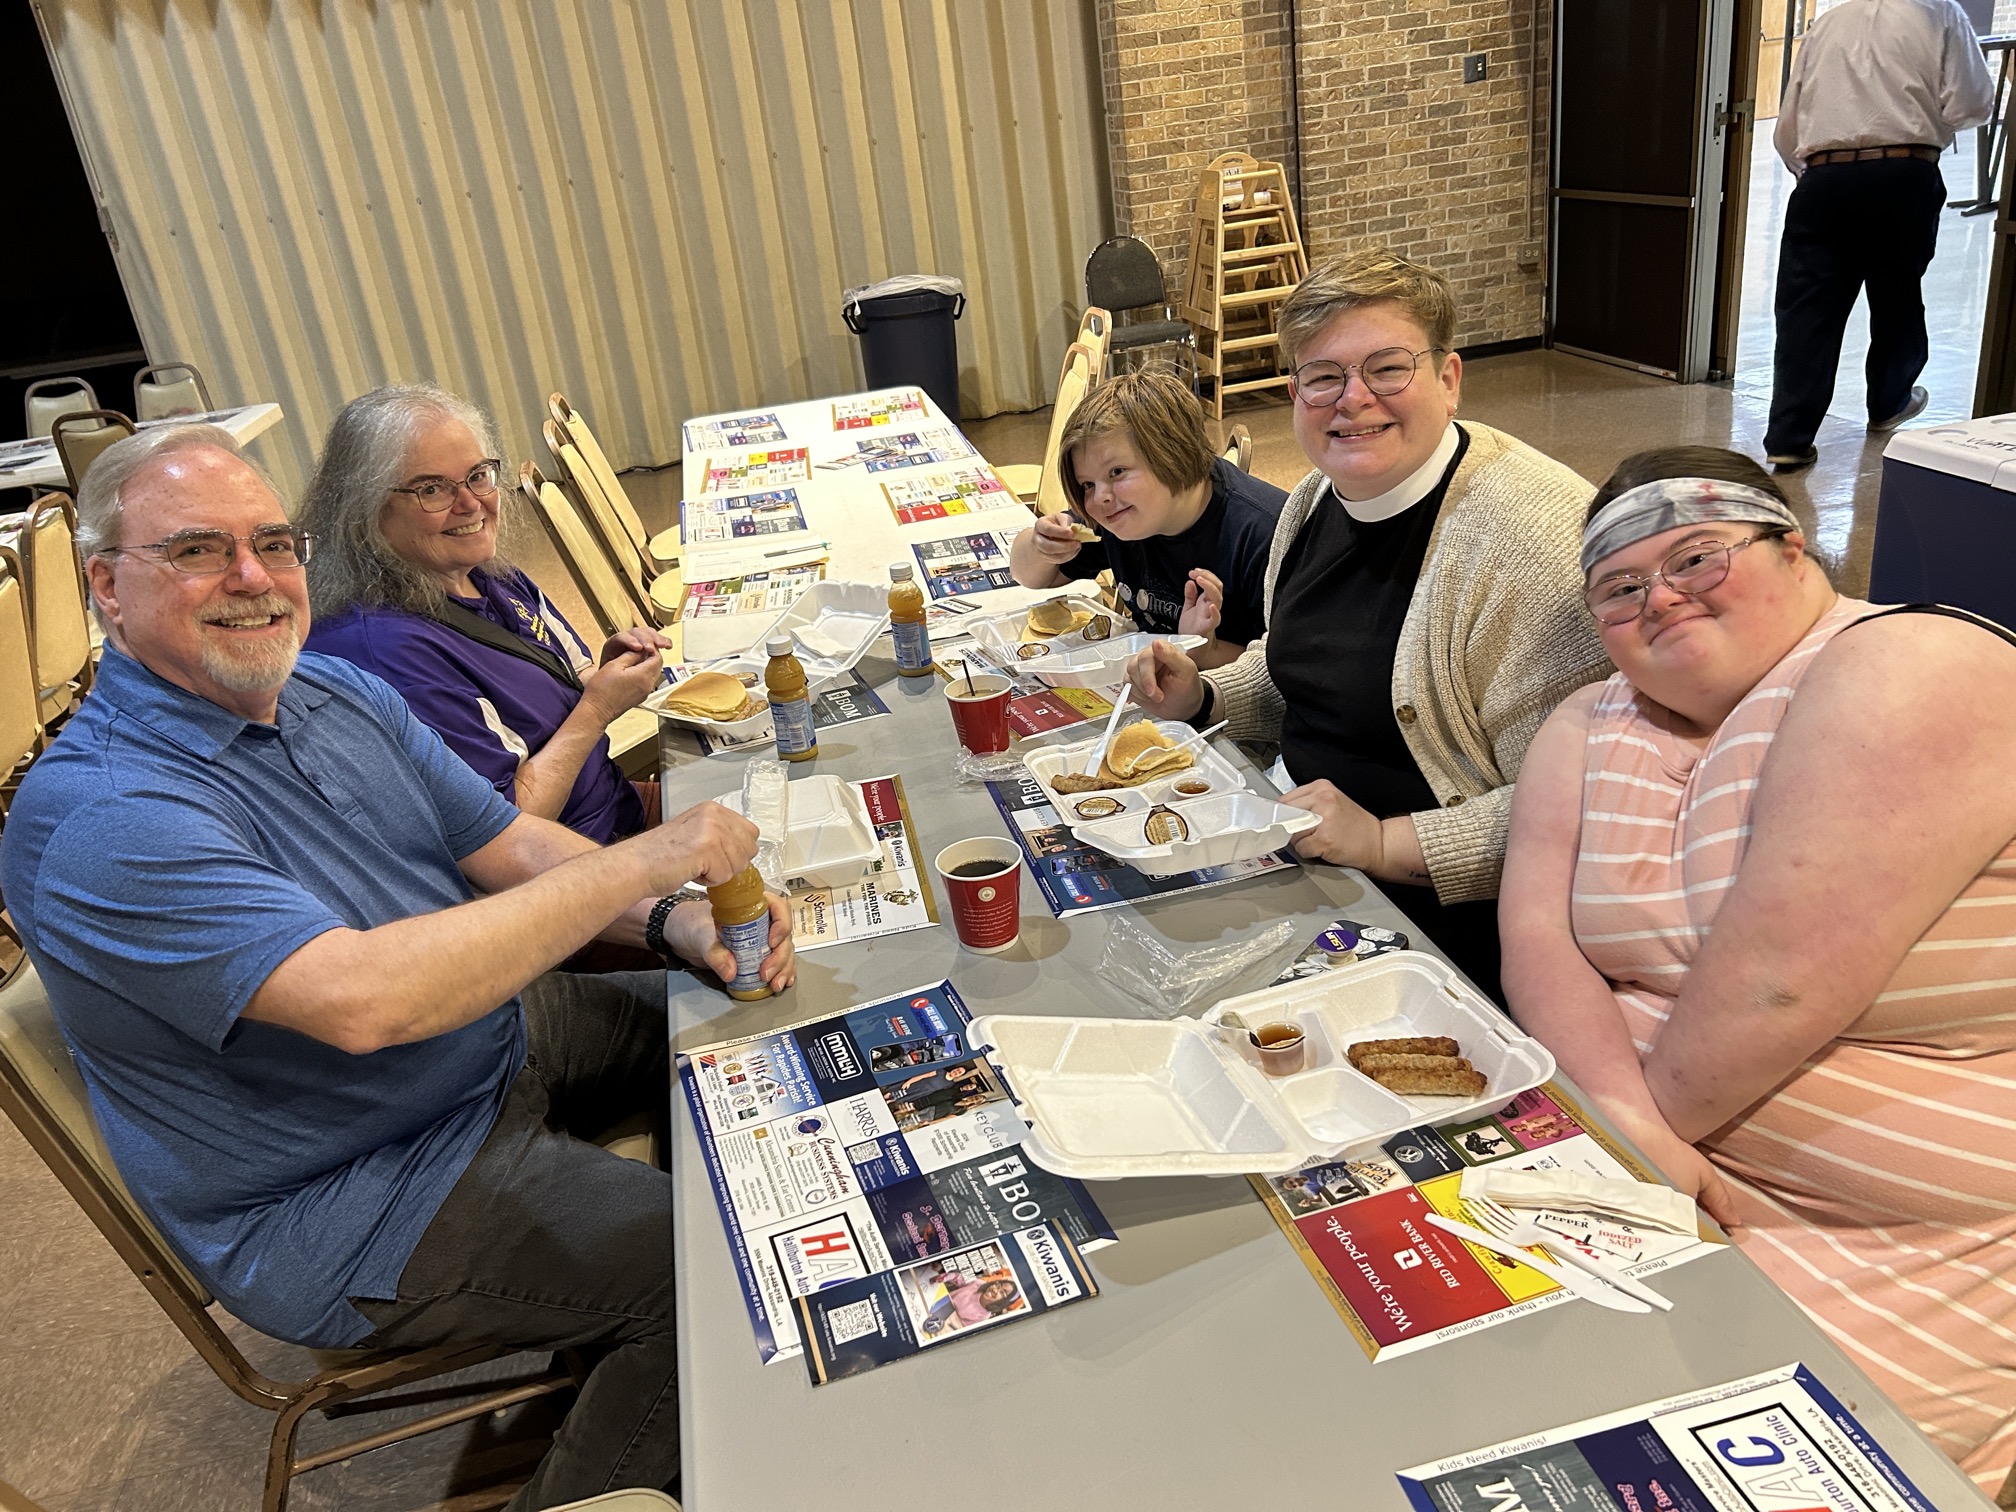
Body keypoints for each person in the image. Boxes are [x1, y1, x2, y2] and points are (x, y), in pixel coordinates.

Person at [0, 423, 795, 1510]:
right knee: (711, 1274)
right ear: (106, 587)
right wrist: (647, 863)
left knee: (764, 1017)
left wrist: (673, 925)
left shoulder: (331, 692)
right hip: (357, 1194)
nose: (252, 579)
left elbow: (508, 844)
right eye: (197, 551)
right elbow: (367, 1002)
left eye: (274, 544)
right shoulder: (103, 817)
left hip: (483, 1044)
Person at [1500, 445, 2016, 1492]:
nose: (1660, 599)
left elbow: (1780, 985)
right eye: (1620, 586)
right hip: (1639, 1170)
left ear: (1793, 548)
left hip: (1898, 1244)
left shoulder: (1907, 660)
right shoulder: (1582, 724)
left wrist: (1644, 1142)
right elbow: (1539, 939)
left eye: (1697, 558)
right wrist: (1617, 1123)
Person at [1125, 249, 1608, 995]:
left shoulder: (1531, 545)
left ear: (1449, 379)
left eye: (1387, 368)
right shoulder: (1316, 498)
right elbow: (1303, 665)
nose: (1352, 399)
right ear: (1295, 392)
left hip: (1442, 926)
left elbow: (1577, 813)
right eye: (1324, 376)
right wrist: (1206, 696)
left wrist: (1382, 842)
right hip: (1307, 859)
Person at [300, 384, 669, 845]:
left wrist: (610, 674)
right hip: (573, 868)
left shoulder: (485, 574)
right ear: (366, 511)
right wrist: (597, 707)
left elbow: (565, 683)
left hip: (616, 808)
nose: (471, 504)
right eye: (431, 489)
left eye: (477, 475)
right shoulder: (385, 650)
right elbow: (505, 828)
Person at [1763, 0, 1993, 472]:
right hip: (1904, 172)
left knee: (1805, 308)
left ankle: (1789, 435)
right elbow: (1972, 103)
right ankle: (1888, 402)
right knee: (1897, 294)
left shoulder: (1826, 23)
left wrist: (1818, 169)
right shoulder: (1942, 13)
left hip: (1823, 179)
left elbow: (1787, 129)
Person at [1008, 367, 1286, 669]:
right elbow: (1030, 576)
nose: (1099, 497)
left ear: (1172, 452)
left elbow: (1288, 669)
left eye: (1117, 472)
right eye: (1087, 484)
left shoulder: (1268, 535)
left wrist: (1202, 651)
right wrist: (1040, 545)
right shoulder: (1117, 515)